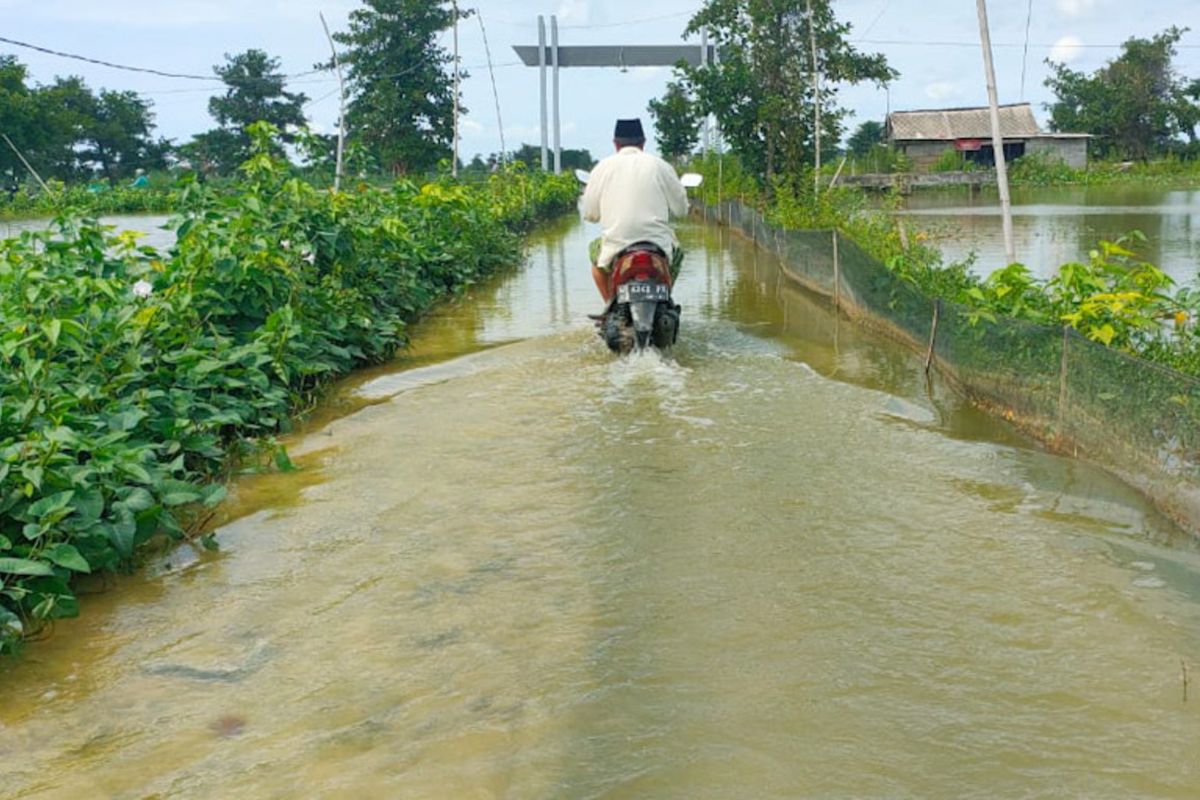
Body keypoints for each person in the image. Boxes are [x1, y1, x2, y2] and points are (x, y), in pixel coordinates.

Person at [580, 118, 689, 301]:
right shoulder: (661, 166)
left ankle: (609, 306)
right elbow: (681, 210)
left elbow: (590, 214)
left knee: (595, 258)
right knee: (677, 254)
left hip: (615, 247)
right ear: (643, 143)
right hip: (658, 247)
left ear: (615, 143)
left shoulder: (602, 168)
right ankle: (665, 298)